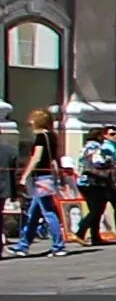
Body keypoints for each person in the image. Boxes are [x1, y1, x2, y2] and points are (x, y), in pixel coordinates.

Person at [14, 109, 65, 256]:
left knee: (48, 212)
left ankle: (58, 245)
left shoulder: (41, 137)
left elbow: (36, 158)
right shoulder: (53, 137)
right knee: (34, 212)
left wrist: (25, 176)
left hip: (40, 178)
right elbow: (55, 159)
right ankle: (23, 245)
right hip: (48, 177)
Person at [74, 119, 116, 248]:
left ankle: (95, 236)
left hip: (83, 181)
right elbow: (98, 162)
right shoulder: (95, 147)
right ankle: (80, 231)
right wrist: (108, 162)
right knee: (96, 209)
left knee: (95, 209)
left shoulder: (85, 147)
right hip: (92, 181)